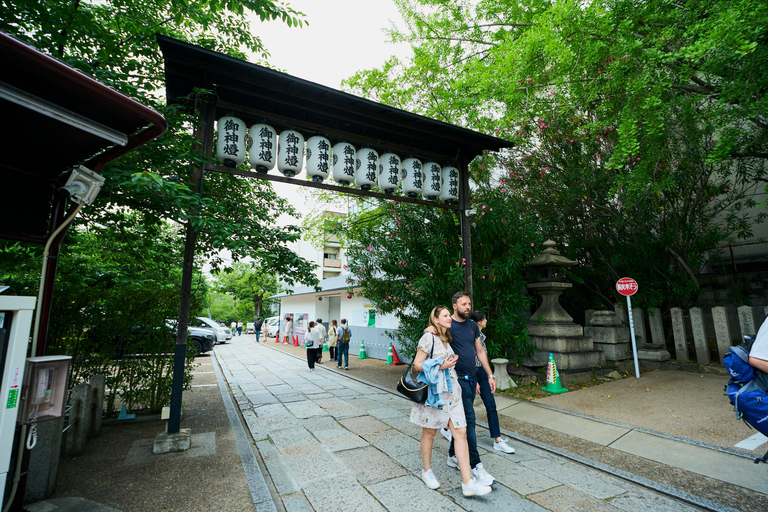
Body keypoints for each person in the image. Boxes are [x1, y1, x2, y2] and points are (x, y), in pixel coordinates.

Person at [410, 306, 492, 497]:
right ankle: (427, 470)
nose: (449, 318)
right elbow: (417, 364)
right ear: (436, 320)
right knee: (429, 432)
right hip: (435, 393)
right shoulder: (428, 337)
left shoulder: (448, 338)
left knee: (461, 432)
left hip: (452, 392)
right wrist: (441, 365)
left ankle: (468, 483)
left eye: (449, 315)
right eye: (445, 316)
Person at [425, 292, 496, 486]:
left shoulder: (473, 325)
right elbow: (432, 337)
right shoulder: (448, 325)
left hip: (472, 380)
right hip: (456, 381)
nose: (468, 307)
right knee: (469, 422)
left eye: (469, 303)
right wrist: (429, 329)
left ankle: (453, 455)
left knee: (460, 426)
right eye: (464, 304)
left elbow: (479, 351)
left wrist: (489, 375)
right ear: (454, 306)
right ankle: (476, 466)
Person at [440, 310, 515, 454]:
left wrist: (489, 375)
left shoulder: (481, 337)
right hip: (471, 374)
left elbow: (482, 355)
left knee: (491, 406)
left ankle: (497, 440)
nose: (487, 320)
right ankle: (448, 431)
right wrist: (474, 380)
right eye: (485, 318)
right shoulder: (467, 335)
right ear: (478, 322)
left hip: (482, 374)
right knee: (467, 412)